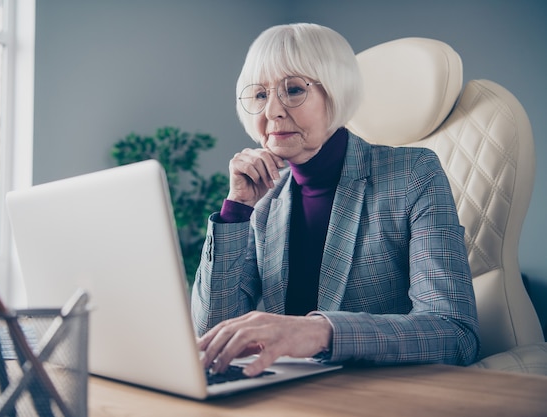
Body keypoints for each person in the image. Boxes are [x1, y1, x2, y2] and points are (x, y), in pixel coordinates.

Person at [191, 23, 480, 378]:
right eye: (260, 96)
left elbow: (455, 333)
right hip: (290, 391)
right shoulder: (263, 201)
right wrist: (236, 209)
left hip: (380, 392)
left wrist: (321, 332)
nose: (273, 112)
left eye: (293, 90)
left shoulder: (413, 173)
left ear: (337, 93)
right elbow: (212, 333)